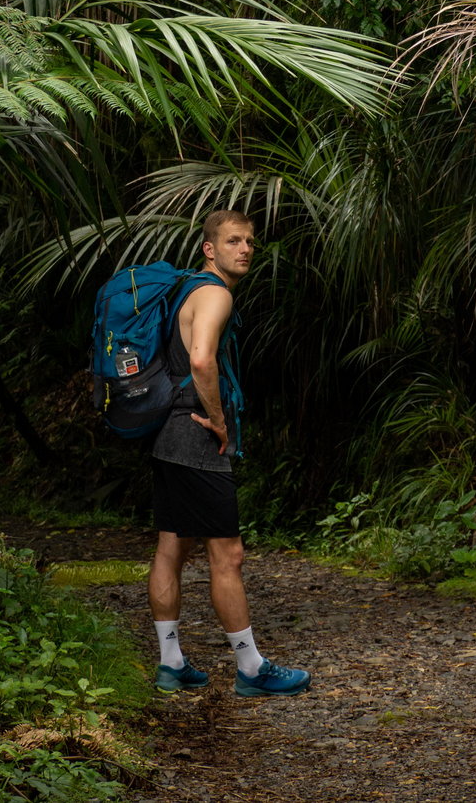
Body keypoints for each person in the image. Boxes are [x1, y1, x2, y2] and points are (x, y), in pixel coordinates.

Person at [147, 209, 311, 697]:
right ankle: (251, 669)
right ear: (209, 249)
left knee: (171, 548)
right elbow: (201, 359)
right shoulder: (214, 293)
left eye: (250, 242)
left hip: (167, 436)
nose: (244, 249)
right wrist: (217, 419)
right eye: (233, 241)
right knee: (228, 555)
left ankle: (171, 664)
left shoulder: (189, 289)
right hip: (195, 438)